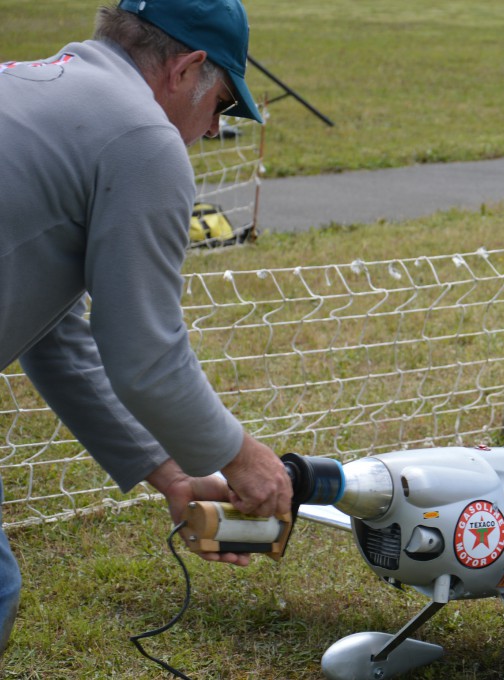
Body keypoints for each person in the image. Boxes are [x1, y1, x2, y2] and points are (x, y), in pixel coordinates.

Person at [0, 0, 294, 652]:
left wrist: (171, 473)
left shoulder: (36, 82)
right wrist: (243, 458)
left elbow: (52, 335)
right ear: (187, 68)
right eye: (221, 104)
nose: (215, 129)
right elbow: (146, 356)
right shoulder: (143, 138)